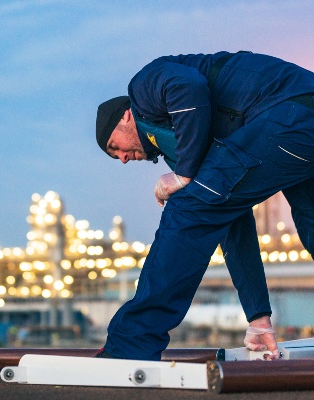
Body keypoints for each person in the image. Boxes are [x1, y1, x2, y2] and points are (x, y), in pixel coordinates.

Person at [94, 51, 314, 361]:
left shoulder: (142, 89)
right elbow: (232, 223)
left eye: (114, 147)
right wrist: (258, 315)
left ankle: (129, 348)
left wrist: (184, 174)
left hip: (290, 112)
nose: (123, 158)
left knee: (187, 209)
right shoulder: (190, 144)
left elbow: (187, 84)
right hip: (299, 122)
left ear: (126, 116)